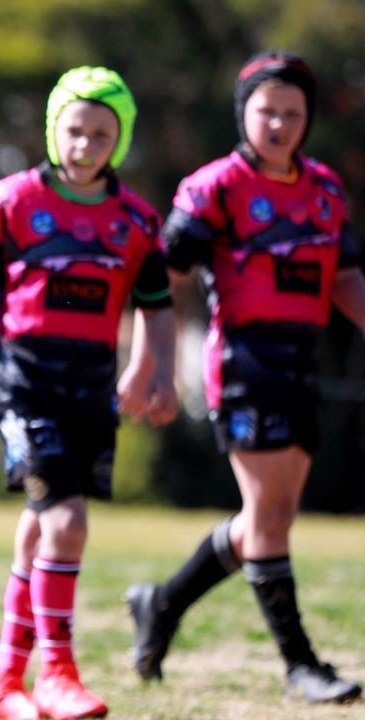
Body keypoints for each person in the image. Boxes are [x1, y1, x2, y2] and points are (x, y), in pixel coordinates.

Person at [0, 67, 178, 720]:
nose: (86, 143)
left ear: (118, 141)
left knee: (39, 536)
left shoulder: (136, 219)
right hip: (26, 386)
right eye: (75, 129)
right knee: (66, 524)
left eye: (103, 133)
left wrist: (153, 368)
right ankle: (58, 673)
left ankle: (4, 685)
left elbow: (157, 306)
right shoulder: (13, 199)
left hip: (92, 391)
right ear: (54, 129)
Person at [125, 51, 364, 704]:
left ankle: (162, 603)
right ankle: (300, 665)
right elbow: (159, 275)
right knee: (267, 517)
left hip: (300, 361)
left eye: (294, 113)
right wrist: (150, 360)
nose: (281, 125)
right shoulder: (216, 188)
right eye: (268, 112)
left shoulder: (325, 189)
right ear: (244, 114)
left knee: (270, 517)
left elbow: (344, 277)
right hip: (243, 364)